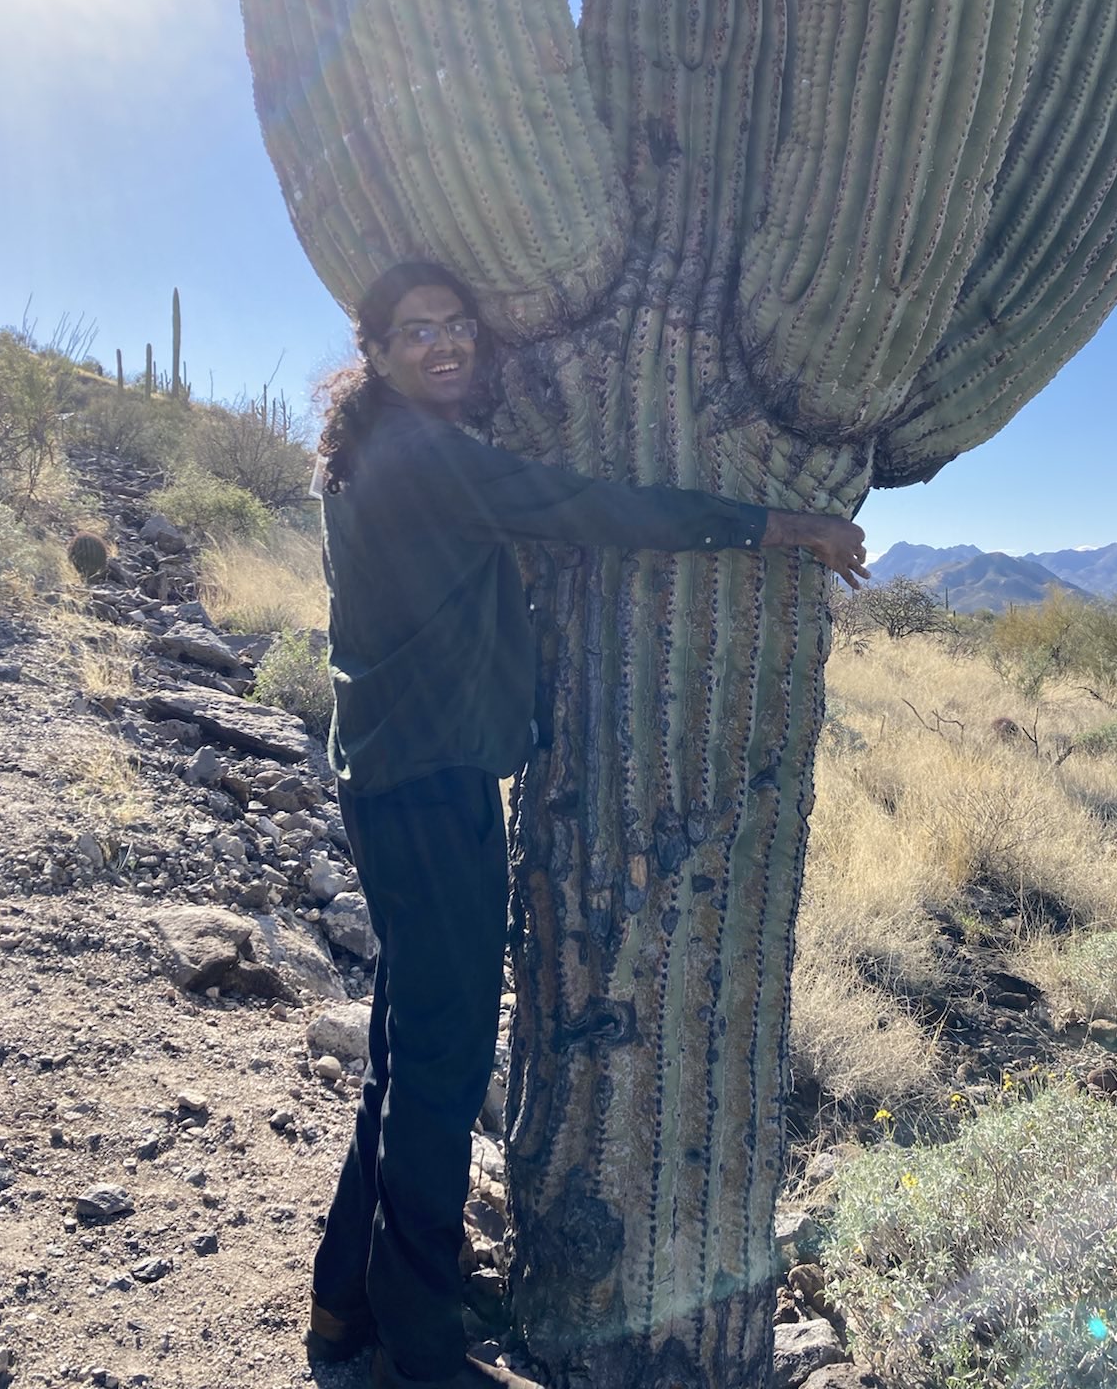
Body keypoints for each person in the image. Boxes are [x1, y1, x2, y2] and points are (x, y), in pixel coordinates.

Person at [305, 261, 869, 1389]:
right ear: (375, 348)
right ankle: (417, 1350)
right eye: (419, 331)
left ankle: (348, 1302)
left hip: (392, 779)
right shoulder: (425, 456)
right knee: (443, 1066)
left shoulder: (376, 445)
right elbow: (588, 509)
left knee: (403, 1055)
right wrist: (770, 522)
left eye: (460, 324)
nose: (448, 344)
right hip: (427, 789)